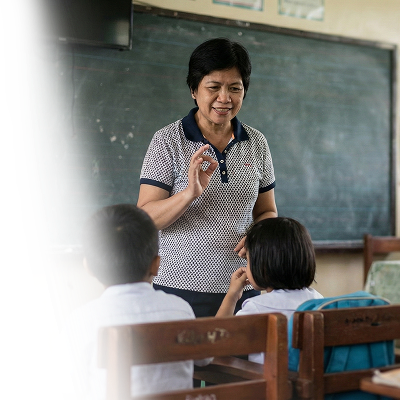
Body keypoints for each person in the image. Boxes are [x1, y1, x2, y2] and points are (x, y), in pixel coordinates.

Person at [137, 37, 278, 318]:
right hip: (180, 288)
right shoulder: (168, 140)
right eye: (213, 87)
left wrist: (258, 235)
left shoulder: (257, 142)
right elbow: (145, 219)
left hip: (245, 285)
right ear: (194, 89)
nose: (224, 98)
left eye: (235, 88)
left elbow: (267, 211)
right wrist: (188, 194)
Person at [53, 204, 196, 398]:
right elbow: (203, 360)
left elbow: (67, 384)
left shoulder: (82, 320)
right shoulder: (180, 309)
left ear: (88, 267)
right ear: (156, 265)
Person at [216, 217, 323, 364]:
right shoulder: (319, 301)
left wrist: (232, 295)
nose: (247, 267)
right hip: (311, 378)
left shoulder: (257, 308)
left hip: (267, 379)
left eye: (248, 260)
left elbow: (217, 344)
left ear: (263, 265)